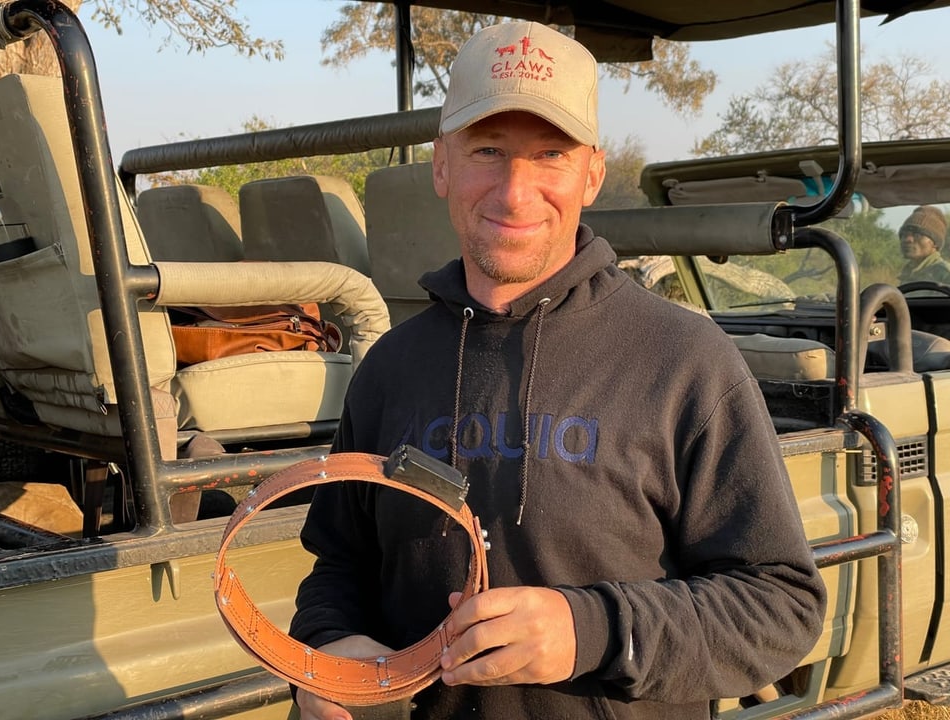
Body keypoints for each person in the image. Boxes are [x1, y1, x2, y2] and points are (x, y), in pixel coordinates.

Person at [290, 20, 826, 720]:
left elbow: (780, 604)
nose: (516, 192)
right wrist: (330, 647)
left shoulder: (685, 361)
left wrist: (591, 631)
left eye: (550, 154)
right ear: (441, 165)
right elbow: (338, 565)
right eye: (488, 150)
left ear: (592, 175)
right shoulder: (391, 367)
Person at [897, 204, 950, 285]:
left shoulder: (944, 274)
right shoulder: (907, 273)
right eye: (904, 235)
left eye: (917, 235)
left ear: (935, 243)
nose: (907, 240)